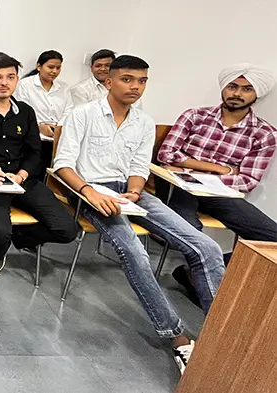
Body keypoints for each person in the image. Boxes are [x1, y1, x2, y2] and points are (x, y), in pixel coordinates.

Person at [53, 55, 225, 374]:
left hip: (133, 193)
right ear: (109, 81)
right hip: (92, 190)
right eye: (128, 79)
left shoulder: (144, 122)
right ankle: (178, 339)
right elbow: (63, 164)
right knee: (134, 251)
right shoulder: (82, 114)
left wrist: (134, 191)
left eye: (142, 81)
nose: (136, 87)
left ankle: (222, 336)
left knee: (207, 247)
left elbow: (138, 168)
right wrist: (90, 193)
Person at [0, 53, 78, 274]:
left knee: (67, 230)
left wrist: (22, 175)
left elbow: (34, 151)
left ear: (17, 80)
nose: (4, 83)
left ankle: (14, 237)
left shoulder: (26, 112)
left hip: (23, 180)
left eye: (10, 77)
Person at [157, 64, 277, 276]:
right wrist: (223, 169)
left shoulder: (265, 134)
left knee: (273, 239)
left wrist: (192, 169)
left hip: (219, 192)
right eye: (232, 86)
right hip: (177, 184)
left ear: (256, 94)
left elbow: (248, 180)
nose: (237, 94)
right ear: (224, 88)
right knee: (189, 232)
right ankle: (202, 276)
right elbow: (166, 155)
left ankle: (198, 276)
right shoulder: (194, 116)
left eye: (247, 89)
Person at [15, 50, 73, 167]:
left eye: (58, 68)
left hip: (57, 139)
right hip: (32, 138)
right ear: (39, 66)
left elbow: (69, 110)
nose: (54, 71)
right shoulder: (25, 85)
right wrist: (39, 126)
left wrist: (58, 128)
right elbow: (21, 110)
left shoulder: (64, 88)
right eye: (51, 67)